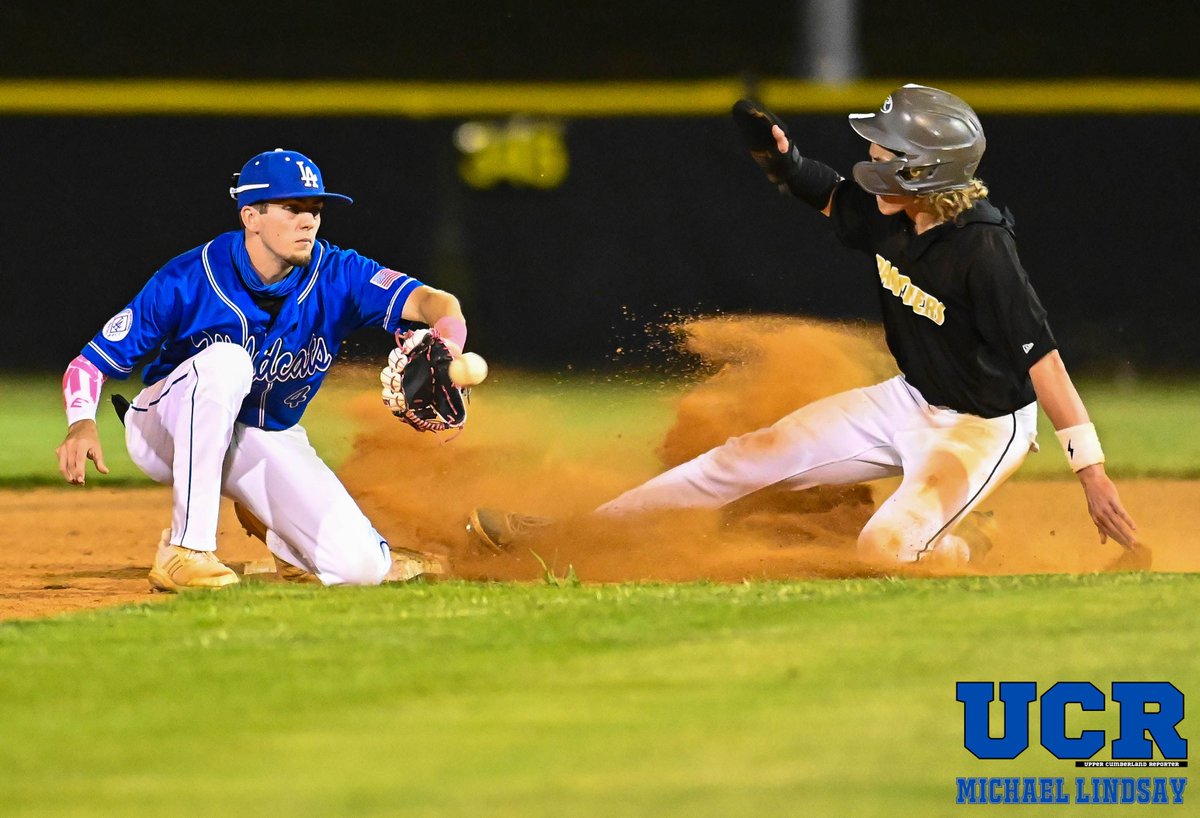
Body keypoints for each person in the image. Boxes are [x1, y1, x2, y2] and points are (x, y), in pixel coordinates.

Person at [467, 84, 1138, 565]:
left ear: (923, 169)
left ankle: (958, 543)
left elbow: (1042, 361)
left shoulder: (981, 250)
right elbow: (831, 195)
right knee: (745, 457)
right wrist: (785, 164)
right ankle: (571, 534)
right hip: (908, 398)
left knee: (885, 548)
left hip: (982, 424)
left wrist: (1092, 471)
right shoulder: (892, 208)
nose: (872, 152)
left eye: (886, 147)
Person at [56, 148, 469, 590]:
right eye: (292, 208)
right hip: (164, 427)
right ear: (251, 217)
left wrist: (449, 340)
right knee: (227, 362)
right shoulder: (187, 277)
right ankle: (186, 550)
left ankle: (282, 538)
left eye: (314, 209)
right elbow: (90, 362)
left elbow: (435, 302)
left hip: (262, 435)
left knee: (359, 570)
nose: (308, 220)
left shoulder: (338, 273)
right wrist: (81, 422)